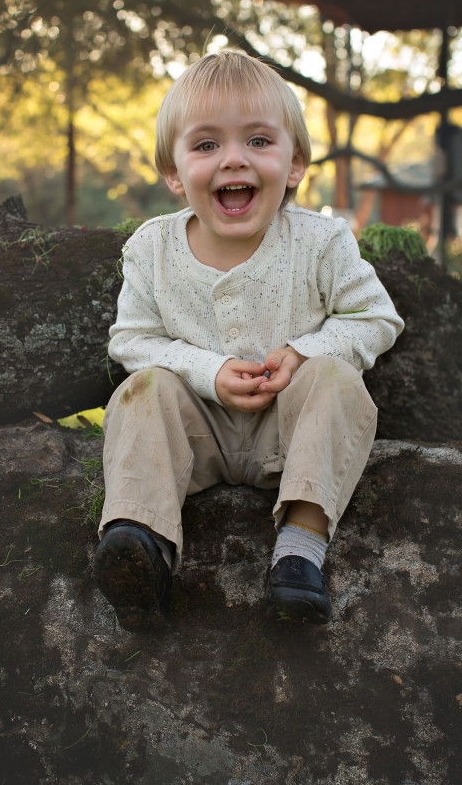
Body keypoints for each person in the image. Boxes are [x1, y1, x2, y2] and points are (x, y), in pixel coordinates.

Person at [91, 51, 404, 631]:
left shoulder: (320, 242)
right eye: (206, 146)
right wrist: (207, 371)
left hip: (289, 434)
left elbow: (374, 319)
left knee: (337, 378)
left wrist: (307, 352)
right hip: (197, 433)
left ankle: (300, 550)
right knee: (143, 390)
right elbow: (132, 339)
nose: (233, 159)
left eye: (258, 141)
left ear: (294, 164)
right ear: (174, 173)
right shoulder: (151, 249)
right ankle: (140, 543)